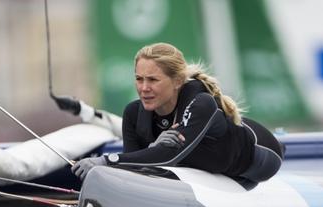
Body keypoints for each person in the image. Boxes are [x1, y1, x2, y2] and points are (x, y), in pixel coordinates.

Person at [72, 42, 284, 183]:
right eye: (139, 79)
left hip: (260, 159)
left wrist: (106, 161)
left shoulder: (201, 103)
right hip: (213, 166)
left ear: (177, 81)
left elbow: (170, 156)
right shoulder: (133, 114)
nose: (144, 88)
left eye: (153, 80)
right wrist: (154, 147)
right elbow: (133, 168)